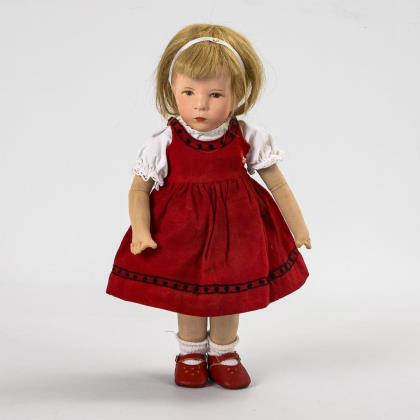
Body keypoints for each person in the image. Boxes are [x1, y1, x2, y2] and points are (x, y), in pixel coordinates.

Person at [106, 23, 311, 389]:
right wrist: (141, 230)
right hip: (182, 232)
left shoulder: (247, 136)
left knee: (229, 294)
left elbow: (277, 183)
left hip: (237, 231)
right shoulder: (164, 142)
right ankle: (190, 354)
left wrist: (298, 227)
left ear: (237, 95)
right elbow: (139, 190)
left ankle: (223, 353)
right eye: (188, 92)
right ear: (172, 89)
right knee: (189, 295)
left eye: (215, 94)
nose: (200, 104)